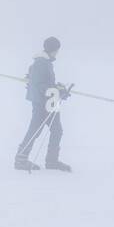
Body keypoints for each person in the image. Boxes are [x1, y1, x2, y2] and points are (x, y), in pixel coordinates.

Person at [15, 36, 71, 172]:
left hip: (50, 101)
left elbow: (44, 82)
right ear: (53, 49)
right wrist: (56, 91)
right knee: (35, 129)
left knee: (57, 130)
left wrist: (59, 89)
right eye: (57, 50)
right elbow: (40, 85)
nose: (57, 52)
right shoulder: (41, 63)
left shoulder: (44, 62)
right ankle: (21, 160)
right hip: (42, 102)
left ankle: (52, 161)